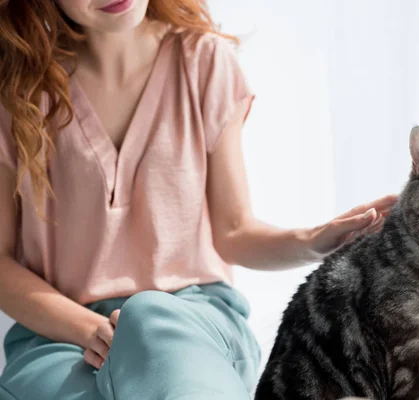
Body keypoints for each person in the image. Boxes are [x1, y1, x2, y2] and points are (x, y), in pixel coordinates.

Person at [0, 1, 396, 399]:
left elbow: (234, 231)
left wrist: (314, 240)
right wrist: (89, 329)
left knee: (156, 329)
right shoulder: (16, 88)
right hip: (59, 335)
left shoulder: (202, 61)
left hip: (191, 320)